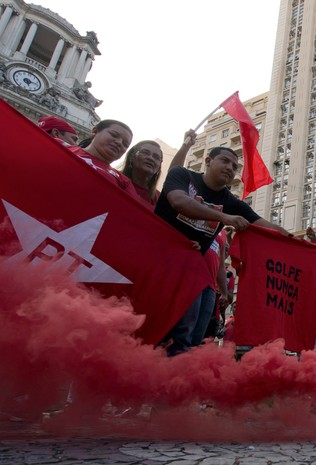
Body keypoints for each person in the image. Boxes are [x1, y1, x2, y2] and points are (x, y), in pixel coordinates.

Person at [154, 146, 289, 356]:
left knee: (183, 338)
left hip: (190, 274)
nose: (230, 168)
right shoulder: (182, 175)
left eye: (235, 166)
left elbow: (264, 225)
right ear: (207, 160)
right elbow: (179, 202)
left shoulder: (231, 202)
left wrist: (300, 243)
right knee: (150, 328)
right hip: (156, 265)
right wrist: (223, 217)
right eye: (225, 161)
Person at [68, 119, 139, 198]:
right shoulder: (61, 147)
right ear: (95, 131)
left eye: (125, 144)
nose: (119, 142)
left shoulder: (124, 182)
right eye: (114, 135)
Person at [121, 141, 163, 208]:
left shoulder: (160, 200)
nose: (151, 158)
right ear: (132, 157)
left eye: (156, 157)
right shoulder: (114, 180)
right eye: (145, 152)